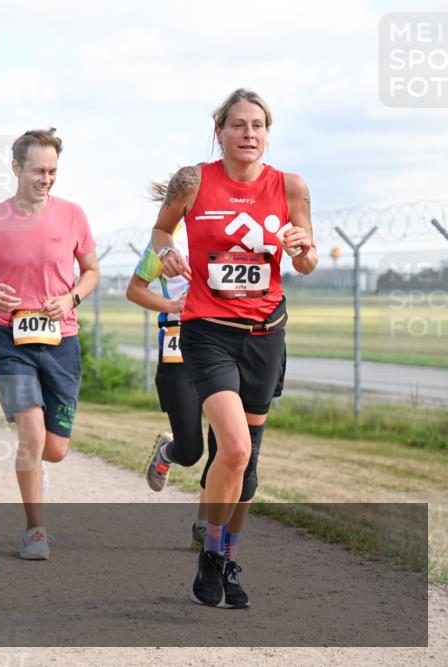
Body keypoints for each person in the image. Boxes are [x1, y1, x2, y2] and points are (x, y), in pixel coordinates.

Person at [153, 88, 317, 609]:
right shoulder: (193, 181)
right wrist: (167, 254)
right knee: (235, 447)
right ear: (219, 131)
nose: (249, 134)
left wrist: (304, 249)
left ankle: (225, 554)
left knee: (248, 468)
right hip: (208, 332)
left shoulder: (289, 186)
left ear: (267, 134)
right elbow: (160, 231)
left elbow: (307, 262)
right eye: (238, 125)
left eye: (258, 126)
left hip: (266, 335)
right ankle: (208, 550)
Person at [0, 128, 99, 560]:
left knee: (54, 449)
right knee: (31, 430)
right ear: (17, 167)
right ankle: (35, 530)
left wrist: (72, 297)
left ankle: (39, 472)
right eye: (39, 170)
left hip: (62, 340)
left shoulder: (73, 215)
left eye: (53, 171)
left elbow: (91, 271)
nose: (46, 178)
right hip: (9, 337)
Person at [128, 210, 214, 550]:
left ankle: (205, 524)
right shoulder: (165, 245)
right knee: (192, 451)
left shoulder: (225, 230)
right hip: (178, 354)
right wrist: (172, 305)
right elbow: (135, 291)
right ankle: (169, 450)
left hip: (223, 348)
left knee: (223, 445)